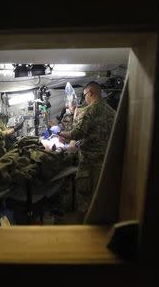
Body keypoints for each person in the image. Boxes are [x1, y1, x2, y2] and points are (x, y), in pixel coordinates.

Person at [58, 81, 115, 222]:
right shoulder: (112, 112)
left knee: (84, 202)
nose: (85, 99)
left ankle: (83, 231)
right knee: (101, 200)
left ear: (90, 92)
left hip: (89, 166)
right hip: (106, 165)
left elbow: (77, 133)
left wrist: (60, 132)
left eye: (85, 96)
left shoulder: (89, 111)